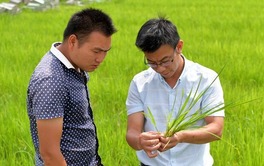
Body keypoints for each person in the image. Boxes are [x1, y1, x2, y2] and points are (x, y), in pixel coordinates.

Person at [126, 17, 225, 166]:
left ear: (179, 46)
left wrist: (180, 136)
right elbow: (132, 133)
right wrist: (140, 141)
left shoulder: (206, 79)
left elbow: (216, 129)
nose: (159, 68)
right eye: (151, 62)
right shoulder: (140, 83)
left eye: (165, 61)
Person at [26, 8, 116, 166]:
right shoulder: (50, 80)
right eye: (96, 51)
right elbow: (49, 154)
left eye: (105, 52)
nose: (101, 59)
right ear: (73, 41)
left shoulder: (75, 65)